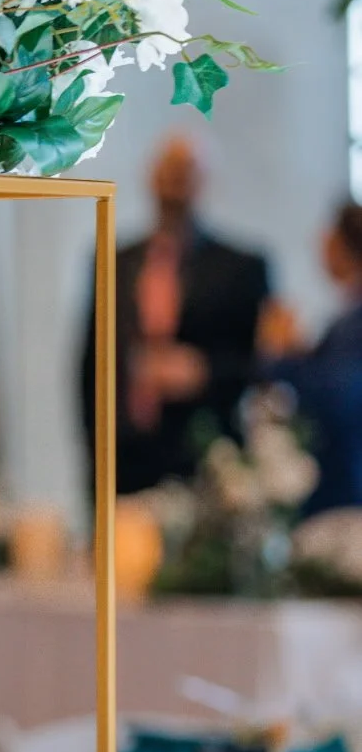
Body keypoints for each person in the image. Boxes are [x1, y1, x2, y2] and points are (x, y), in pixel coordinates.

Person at [80, 136, 272, 493]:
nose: (175, 181)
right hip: (129, 455)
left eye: (186, 171)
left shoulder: (240, 267)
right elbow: (92, 360)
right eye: (169, 169)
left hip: (208, 457)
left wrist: (202, 372)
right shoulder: (116, 261)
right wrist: (95, 454)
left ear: (205, 181)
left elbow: (262, 364)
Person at [261, 201, 362, 514]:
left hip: (346, 488)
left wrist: (283, 356)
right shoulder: (347, 317)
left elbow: (338, 395)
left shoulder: (354, 321)